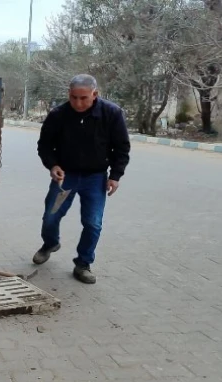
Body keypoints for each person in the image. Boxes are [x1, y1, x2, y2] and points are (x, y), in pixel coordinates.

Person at [32, 74, 130, 284]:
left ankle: (83, 263)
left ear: (95, 94)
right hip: (65, 178)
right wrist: (53, 165)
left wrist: (115, 176)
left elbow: (121, 148)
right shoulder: (58, 115)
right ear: (69, 93)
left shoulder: (111, 114)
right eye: (74, 97)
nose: (78, 102)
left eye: (83, 98)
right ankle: (50, 244)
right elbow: (45, 145)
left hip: (95, 179)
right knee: (51, 216)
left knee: (93, 223)